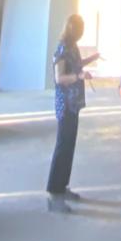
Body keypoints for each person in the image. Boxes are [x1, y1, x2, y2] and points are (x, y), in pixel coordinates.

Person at [46, 13, 93, 213]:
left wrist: (91, 59)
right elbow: (59, 78)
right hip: (65, 104)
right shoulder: (63, 49)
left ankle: (62, 186)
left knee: (69, 146)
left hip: (74, 104)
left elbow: (77, 66)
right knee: (63, 146)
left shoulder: (73, 48)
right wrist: (79, 76)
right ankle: (54, 192)